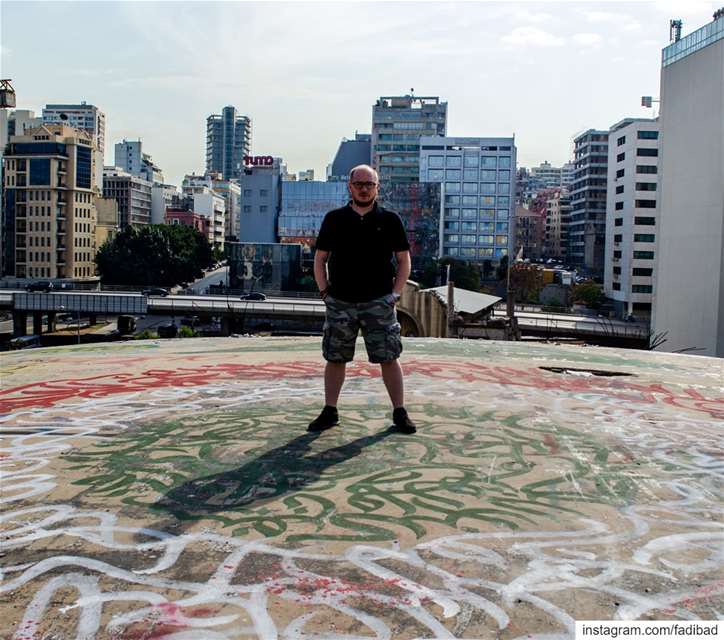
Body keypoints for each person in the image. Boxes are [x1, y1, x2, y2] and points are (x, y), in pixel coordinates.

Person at [308, 164, 416, 434]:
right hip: (340, 301)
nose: (365, 189)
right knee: (335, 358)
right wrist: (325, 293)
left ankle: (399, 412)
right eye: (359, 184)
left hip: (378, 301)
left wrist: (395, 293)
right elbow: (320, 259)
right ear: (350, 186)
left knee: (389, 357)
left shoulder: (390, 220)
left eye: (370, 184)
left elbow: (404, 260)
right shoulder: (334, 219)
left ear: (377, 187)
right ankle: (330, 411)